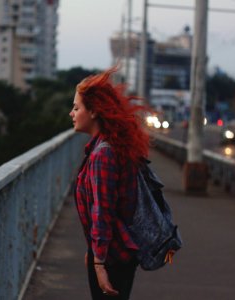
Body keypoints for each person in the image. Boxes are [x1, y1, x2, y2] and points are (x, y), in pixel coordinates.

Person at [69, 67, 150, 299]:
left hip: (114, 257)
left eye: (76, 108)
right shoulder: (105, 148)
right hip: (114, 253)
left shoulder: (102, 154)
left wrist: (99, 264)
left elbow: (103, 211)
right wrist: (94, 251)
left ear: (93, 111)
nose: (71, 113)